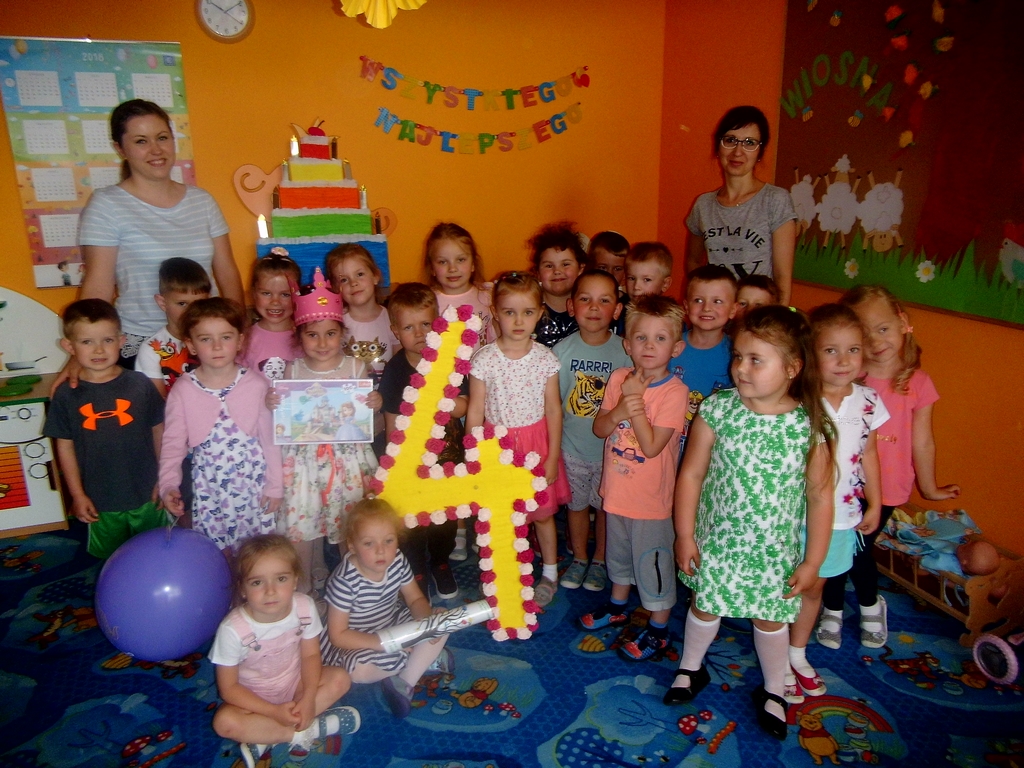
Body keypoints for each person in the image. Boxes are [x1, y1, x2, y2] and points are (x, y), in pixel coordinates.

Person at [668, 306, 834, 741]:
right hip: (718, 540)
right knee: (705, 604)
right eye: (738, 356)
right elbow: (691, 474)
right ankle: (691, 667)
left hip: (772, 550)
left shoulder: (808, 427)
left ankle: (774, 688)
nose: (741, 368)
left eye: (756, 360)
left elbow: (820, 498)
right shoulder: (718, 410)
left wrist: (813, 562)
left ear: (792, 368)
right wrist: (684, 534)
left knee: (770, 618)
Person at [817, 285, 959, 650]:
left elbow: (923, 441)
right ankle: (832, 607)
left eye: (883, 329)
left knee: (856, 548)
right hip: (842, 483)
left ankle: (868, 605)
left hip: (888, 487)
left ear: (903, 323)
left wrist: (929, 487)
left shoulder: (918, 383)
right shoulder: (848, 377)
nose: (877, 341)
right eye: (865, 335)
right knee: (834, 542)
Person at [77, 99, 243, 367]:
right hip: (141, 344)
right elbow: (98, 286)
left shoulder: (202, 201)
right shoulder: (107, 204)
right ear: (120, 149)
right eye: (141, 141)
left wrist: (238, 331)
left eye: (162, 137)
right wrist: (81, 350)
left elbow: (228, 274)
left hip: (206, 345)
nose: (156, 150)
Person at [785, 304, 888, 704]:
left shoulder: (868, 400)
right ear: (811, 354)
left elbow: (869, 453)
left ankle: (797, 653)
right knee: (784, 583)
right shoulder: (798, 400)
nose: (844, 361)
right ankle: (777, 654)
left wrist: (875, 502)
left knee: (814, 587)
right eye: (831, 350)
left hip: (841, 517)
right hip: (792, 513)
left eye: (853, 350)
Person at [579, 296, 688, 661]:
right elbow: (600, 428)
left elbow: (653, 446)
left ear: (676, 348)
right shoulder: (618, 379)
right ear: (627, 344)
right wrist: (621, 407)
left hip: (651, 502)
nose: (649, 346)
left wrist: (634, 405)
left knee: (653, 564)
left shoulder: (675, 392)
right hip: (617, 492)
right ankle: (618, 606)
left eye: (660, 338)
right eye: (641, 337)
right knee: (619, 557)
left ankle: (658, 629)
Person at [466, 272, 571, 607]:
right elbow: (475, 411)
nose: (518, 320)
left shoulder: (545, 359)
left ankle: (550, 572)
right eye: (509, 312)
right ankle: (503, 571)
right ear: (495, 312)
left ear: (540, 313)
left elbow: (554, 410)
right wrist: (473, 454)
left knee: (542, 514)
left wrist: (551, 458)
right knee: (503, 517)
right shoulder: (484, 359)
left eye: (527, 312)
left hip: (536, 447)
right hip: (498, 450)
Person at [210, 534, 358, 768]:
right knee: (224, 722)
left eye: (280, 579)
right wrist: (273, 711)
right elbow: (229, 689)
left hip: (295, 683)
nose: (270, 591)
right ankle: (303, 732)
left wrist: (308, 697)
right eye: (257, 582)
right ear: (243, 589)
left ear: (295, 580)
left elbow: (311, 656)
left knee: (340, 679)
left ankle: (264, 736)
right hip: (253, 699)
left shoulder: (304, 607)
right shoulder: (232, 630)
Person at [275, 268, 380, 593]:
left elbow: (368, 421)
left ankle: (357, 589)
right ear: (299, 337)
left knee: (351, 523)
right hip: (305, 463)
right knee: (305, 523)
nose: (322, 343)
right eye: (312, 335)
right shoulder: (293, 370)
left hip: (348, 461)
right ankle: (304, 588)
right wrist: (273, 402)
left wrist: (375, 404)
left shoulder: (356, 366)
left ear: (342, 334)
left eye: (331, 334)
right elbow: (286, 419)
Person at [44, 299, 165, 559]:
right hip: (101, 499)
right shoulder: (66, 395)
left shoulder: (140, 385)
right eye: (87, 341)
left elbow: (159, 430)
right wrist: (77, 495)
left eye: (107, 340)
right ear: (69, 347)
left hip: (148, 493)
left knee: (157, 552)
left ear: (121, 341)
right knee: (112, 559)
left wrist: (164, 477)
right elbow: (65, 447)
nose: (99, 349)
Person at [159, 298, 282, 551]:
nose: (217, 346)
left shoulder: (257, 384)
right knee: (216, 551)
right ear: (191, 345)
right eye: (206, 339)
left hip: (254, 485)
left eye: (226, 337)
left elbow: (271, 440)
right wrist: (168, 484)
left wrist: (275, 486)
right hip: (211, 487)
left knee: (258, 550)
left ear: (240, 340)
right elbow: (172, 443)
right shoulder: (183, 390)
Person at [322, 499, 451, 719]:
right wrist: (381, 643)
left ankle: (405, 681)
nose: (381, 551)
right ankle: (424, 660)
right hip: (357, 639)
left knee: (445, 620)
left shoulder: (397, 560)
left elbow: (414, 599)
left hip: (390, 621)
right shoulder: (344, 581)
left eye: (389, 541)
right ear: (352, 546)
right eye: (368, 543)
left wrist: (426, 622)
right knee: (359, 671)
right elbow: (339, 635)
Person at [380, 283, 468, 599]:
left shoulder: (449, 362)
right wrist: (395, 463)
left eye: (426, 324)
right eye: (408, 327)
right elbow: (391, 421)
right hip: (410, 460)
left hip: (447, 456)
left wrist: (442, 397)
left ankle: (441, 562)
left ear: (438, 325)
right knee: (412, 519)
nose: (419, 333)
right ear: (395, 331)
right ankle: (416, 566)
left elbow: (464, 406)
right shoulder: (395, 370)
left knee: (444, 517)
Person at [553, 270, 630, 593]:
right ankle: (580, 557)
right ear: (571, 306)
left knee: (606, 509)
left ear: (617, 309)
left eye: (604, 300)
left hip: (612, 452)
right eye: (585, 299)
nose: (594, 307)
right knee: (576, 507)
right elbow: (554, 405)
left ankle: (600, 560)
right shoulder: (560, 352)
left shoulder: (625, 351)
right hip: (572, 448)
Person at [684, 106, 797, 306]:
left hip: (758, 317)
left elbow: (782, 277)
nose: (738, 152)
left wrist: (777, 321)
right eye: (730, 140)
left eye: (749, 143)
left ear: (760, 151)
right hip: (716, 317)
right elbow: (693, 261)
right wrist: (704, 300)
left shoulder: (776, 200)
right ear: (718, 147)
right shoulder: (703, 205)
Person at [327, 244, 398, 453]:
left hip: (387, 412)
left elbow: (399, 364)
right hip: (350, 414)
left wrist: (386, 404)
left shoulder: (391, 318)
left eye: (359, 274)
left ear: (375, 276)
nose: (353, 283)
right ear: (335, 288)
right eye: (343, 279)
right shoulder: (337, 323)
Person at [668, 265, 738, 456]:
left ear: (733, 309)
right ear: (685, 306)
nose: (707, 308)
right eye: (698, 300)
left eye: (717, 301)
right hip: (666, 449)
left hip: (709, 455)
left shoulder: (738, 355)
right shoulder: (669, 347)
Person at [135, 257, 211, 397]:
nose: (191, 311)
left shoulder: (216, 340)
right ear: (162, 303)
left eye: (199, 303)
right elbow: (157, 400)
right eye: (182, 303)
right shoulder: (151, 350)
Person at [423, 222, 494, 347]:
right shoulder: (426, 303)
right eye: (443, 262)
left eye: (460, 260)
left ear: (473, 264)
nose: (452, 268)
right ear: (432, 268)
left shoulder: (488, 296)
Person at [240, 251, 302, 382]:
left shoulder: (306, 335)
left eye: (285, 294)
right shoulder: (245, 339)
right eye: (266, 293)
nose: (275, 302)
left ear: (297, 295)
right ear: (254, 293)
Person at [528, 222, 587, 347]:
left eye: (565, 264)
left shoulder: (588, 307)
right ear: (537, 272)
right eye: (549, 266)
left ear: (580, 269)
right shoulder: (528, 308)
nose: (557, 271)